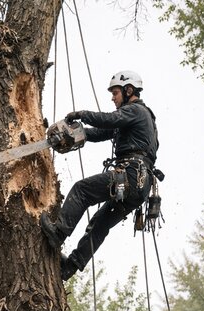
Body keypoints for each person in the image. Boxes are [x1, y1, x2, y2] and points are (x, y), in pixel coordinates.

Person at [40, 69, 159, 281]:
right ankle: (70, 266)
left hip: (131, 176)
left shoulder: (135, 111)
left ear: (128, 90)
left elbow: (108, 120)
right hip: (139, 188)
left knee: (82, 190)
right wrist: (76, 134)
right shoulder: (132, 119)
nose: (113, 98)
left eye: (115, 93)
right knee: (100, 223)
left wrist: (81, 115)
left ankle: (58, 233)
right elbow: (103, 132)